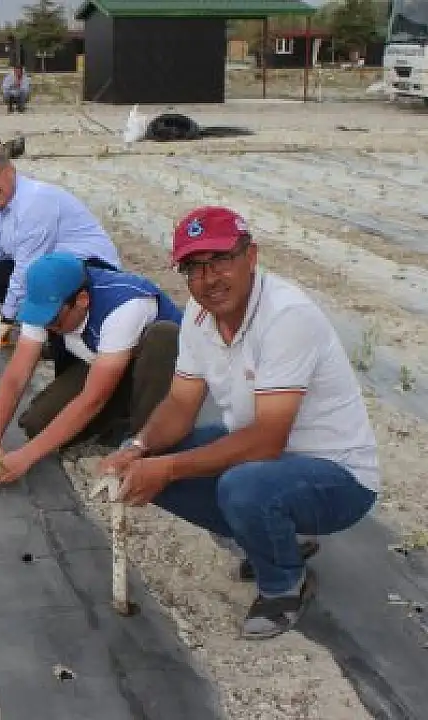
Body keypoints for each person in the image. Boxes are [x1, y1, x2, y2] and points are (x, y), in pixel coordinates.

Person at [98, 206, 380, 640]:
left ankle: (285, 584)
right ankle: (274, 538)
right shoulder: (198, 317)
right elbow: (180, 403)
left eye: (220, 260)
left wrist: (166, 468)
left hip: (339, 476)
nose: (209, 278)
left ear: (251, 257)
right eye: (194, 267)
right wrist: (138, 449)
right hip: (270, 462)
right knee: (154, 455)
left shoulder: (286, 316)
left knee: (242, 486)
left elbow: (267, 441)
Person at [0, 252, 183, 485]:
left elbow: (92, 399)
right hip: (104, 363)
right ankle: (117, 420)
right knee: (37, 425)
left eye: (54, 321)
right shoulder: (49, 302)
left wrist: (25, 457)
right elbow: (16, 376)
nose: (49, 327)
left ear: (82, 300)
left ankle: (142, 444)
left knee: (163, 336)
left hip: (159, 377)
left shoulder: (125, 306)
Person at [0, 149, 123, 351]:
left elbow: (24, 268)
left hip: (94, 270)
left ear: (10, 171)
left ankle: (56, 331)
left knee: (23, 277)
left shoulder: (34, 201)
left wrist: (5, 320)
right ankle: (44, 320)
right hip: (55, 265)